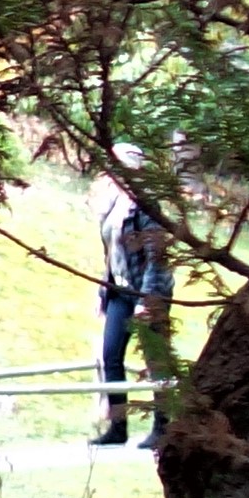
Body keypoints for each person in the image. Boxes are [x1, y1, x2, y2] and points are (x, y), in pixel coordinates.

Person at [95, 172, 177, 447]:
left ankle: (162, 428)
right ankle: (118, 427)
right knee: (111, 355)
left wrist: (148, 299)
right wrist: (103, 291)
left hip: (147, 292)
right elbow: (112, 253)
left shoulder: (145, 205)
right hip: (120, 291)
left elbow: (157, 256)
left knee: (156, 359)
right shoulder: (114, 204)